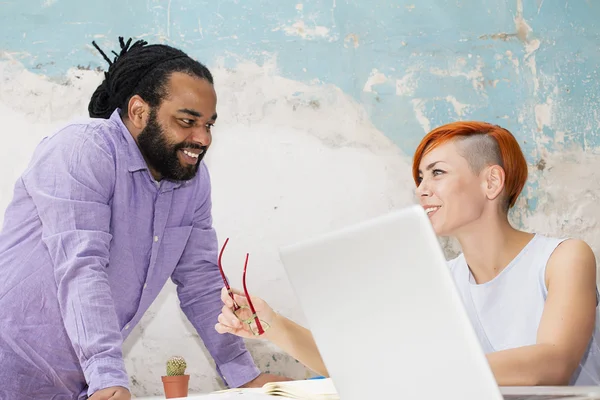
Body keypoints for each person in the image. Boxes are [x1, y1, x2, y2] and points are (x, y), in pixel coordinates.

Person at [0, 37, 287, 400]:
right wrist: (106, 375)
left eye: (209, 125)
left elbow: (199, 281)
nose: (201, 138)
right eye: (187, 121)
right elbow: (82, 265)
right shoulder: (82, 149)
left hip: (76, 385)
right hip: (10, 369)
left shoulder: (192, 181)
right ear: (138, 111)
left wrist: (243, 376)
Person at [216, 121, 600, 386]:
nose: (422, 189)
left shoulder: (563, 258)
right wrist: (274, 324)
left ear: (491, 181)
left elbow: (552, 365)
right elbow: (363, 368)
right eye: (419, 177)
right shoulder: (438, 279)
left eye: (437, 173)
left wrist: (420, 371)